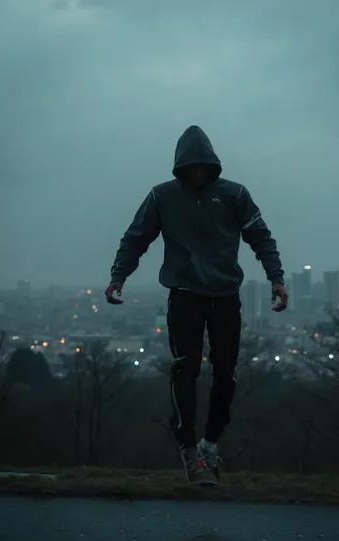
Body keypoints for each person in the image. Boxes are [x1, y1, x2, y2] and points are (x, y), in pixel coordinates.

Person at [105, 125, 287, 486]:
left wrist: (276, 278)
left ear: (211, 164)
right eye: (191, 167)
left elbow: (260, 236)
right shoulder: (163, 197)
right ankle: (188, 448)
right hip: (185, 294)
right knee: (184, 368)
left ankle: (210, 442)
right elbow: (136, 237)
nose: (197, 173)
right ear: (181, 166)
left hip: (225, 295)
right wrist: (118, 275)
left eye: (202, 166)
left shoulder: (234, 194)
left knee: (226, 375)